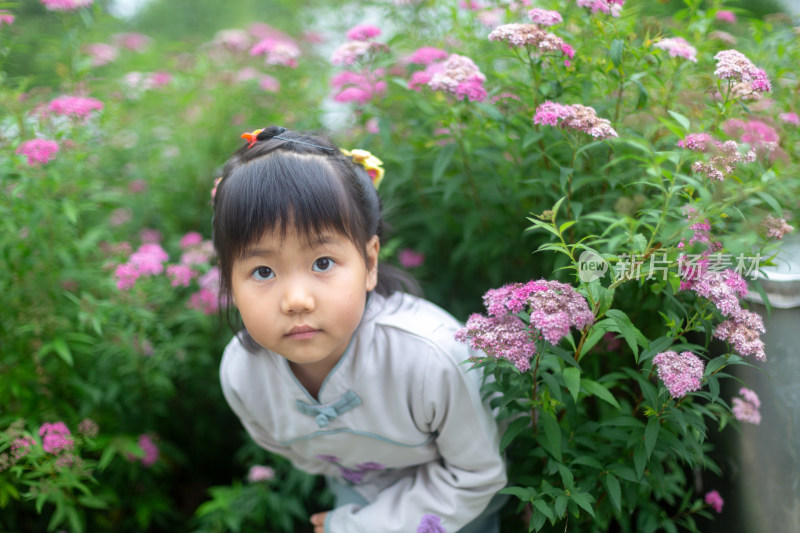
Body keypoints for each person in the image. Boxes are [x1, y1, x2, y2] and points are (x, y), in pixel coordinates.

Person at [212, 126, 507, 533]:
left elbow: (479, 475)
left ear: (369, 262)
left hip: (459, 499)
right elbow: (293, 451)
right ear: (228, 279)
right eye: (263, 270)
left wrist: (363, 526)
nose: (296, 299)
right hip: (357, 484)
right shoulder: (242, 373)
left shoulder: (432, 358)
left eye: (322, 263)